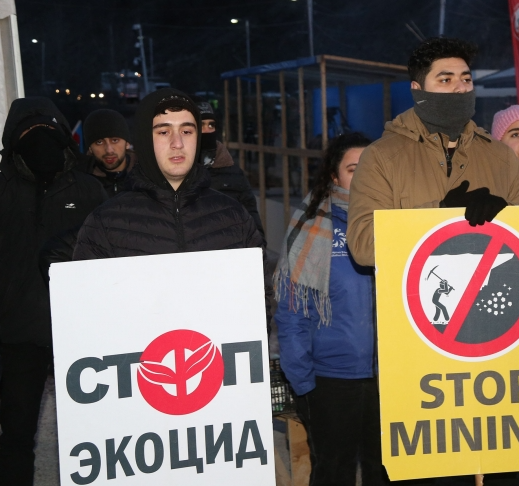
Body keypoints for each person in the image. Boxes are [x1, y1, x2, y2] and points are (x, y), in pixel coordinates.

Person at [0, 97, 107, 485]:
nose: (38, 141)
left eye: (46, 131)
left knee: (95, 434)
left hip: (81, 336)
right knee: (17, 435)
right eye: (27, 134)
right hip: (20, 333)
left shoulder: (90, 190)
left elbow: (111, 261)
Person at [347, 37, 519, 267]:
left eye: (466, 79)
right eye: (445, 80)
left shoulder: (501, 157)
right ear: (418, 90)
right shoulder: (381, 157)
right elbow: (363, 246)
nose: (460, 88)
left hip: (485, 294)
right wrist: (441, 213)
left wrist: (505, 215)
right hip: (411, 298)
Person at [274, 132, 387, 486]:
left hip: (390, 379)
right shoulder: (312, 227)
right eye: (354, 169)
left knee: (385, 473)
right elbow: (291, 316)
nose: (365, 175)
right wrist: (304, 384)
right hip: (330, 381)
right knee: (333, 472)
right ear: (334, 176)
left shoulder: (397, 221)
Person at [73, 88, 263, 260]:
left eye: (187, 131)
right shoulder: (104, 224)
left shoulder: (235, 218)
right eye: (164, 132)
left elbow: (260, 292)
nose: (178, 143)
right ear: (145, 140)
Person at [195, 99, 265, 239]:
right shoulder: (176, 172)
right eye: (201, 125)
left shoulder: (233, 172)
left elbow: (252, 219)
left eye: (211, 125)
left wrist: (258, 250)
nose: (208, 130)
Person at [78, 108, 136, 196]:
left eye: (115, 140)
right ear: (90, 148)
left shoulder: (147, 177)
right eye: (99, 142)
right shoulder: (79, 184)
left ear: (127, 143)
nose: (109, 150)